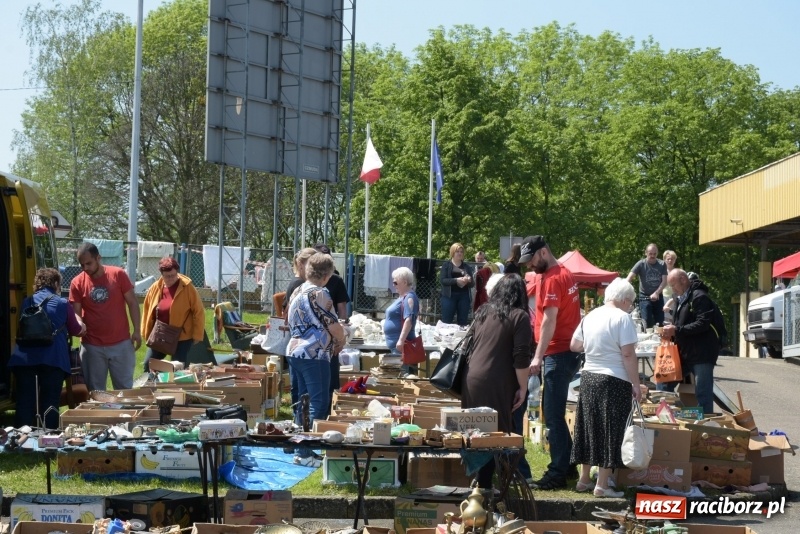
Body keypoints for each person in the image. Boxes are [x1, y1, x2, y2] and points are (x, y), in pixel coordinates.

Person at [569, 277, 642, 498]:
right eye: (630, 302)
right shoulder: (623, 318)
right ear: (625, 299)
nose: (630, 306)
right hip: (614, 378)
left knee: (588, 426)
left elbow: (574, 345)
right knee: (610, 429)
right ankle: (602, 484)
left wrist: (596, 344)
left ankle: (583, 479)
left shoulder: (590, 316)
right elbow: (628, 354)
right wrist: (636, 384)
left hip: (589, 376)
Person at [521, 235, 582, 490]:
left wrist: (538, 356)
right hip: (565, 352)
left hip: (557, 353)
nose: (529, 266)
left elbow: (549, 320)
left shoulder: (553, 278)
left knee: (554, 416)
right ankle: (567, 467)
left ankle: (557, 473)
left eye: (532, 259)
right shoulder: (564, 273)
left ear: (543, 252)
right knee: (554, 412)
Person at [460, 274, 532, 489]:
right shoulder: (520, 316)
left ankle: (480, 483)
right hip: (496, 381)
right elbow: (521, 357)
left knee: (475, 432)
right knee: (494, 435)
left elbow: (468, 344)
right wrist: (523, 387)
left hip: (471, 377)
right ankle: (485, 487)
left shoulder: (483, 311)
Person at [286, 252, 346, 467]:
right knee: (318, 403)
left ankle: (299, 447)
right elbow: (333, 325)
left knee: (303, 402)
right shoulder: (320, 293)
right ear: (328, 274)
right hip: (314, 353)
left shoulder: (298, 290)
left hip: (295, 351)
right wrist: (342, 339)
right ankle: (305, 452)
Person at [9, 268, 86, 428]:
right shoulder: (63, 303)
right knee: (50, 401)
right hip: (53, 358)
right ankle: (49, 437)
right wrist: (81, 324)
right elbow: (76, 330)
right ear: (56, 283)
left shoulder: (27, 302)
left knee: (25, 400)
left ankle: (21, 439)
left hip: (25, 359)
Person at [69, 242, 141, 391]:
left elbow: (133, 303)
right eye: (82, 265)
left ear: (98, 258)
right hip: (92, 346)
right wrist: (79, 324)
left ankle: (125, 415)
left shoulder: (118, 274)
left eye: (88, 263)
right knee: (95, 392)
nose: (85, 268)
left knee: (124, 391)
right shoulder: (77, 283)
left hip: (121, 343)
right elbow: (76, 313)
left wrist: (137, 330)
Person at [661, 269, 719, 414]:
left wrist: (676, 330)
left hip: (702, 353)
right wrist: (671, 332)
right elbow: (681, 322)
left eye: (673, 285)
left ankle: (705, 430)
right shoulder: (680, 298)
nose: (672, 289)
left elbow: (703, 323)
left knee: (703, 393)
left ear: (683, 279)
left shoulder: (699, 296)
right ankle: (665, 417)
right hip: (685, 351)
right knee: (664, 381)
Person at [140, 257, 205, 371]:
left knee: (177, 369)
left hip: (182, 337)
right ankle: (150, 387)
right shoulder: (155, 287)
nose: (171, 279)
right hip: (160, 335)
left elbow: (198, 311)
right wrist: (146, 332)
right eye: (167, 276)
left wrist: (197, 335)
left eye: (173, 275)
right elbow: (147, 310)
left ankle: (175, 389)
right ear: (161, 274)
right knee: (148, 365)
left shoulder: (188, 287)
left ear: (177, 272)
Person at [313, 243, 350, 399]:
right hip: (314, 338)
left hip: (330, 335)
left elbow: (342, 308)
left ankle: (329, 409)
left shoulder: (336, 280)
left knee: (330, 378)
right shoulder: (305, 283)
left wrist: (341, 333)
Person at [383, 267, 420, 376]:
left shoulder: (410, 297)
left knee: (401, 375)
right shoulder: (403, 297)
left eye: (395, 282)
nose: (393, 285)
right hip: (397, 346)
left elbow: (409, 320)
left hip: (401, 346)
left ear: (404, 282)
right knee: (398, 374)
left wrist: (400, 340)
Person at [626, 243, 668, 328]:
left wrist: (656, 293)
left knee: (660, 323)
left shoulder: (662, 264)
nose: (652, 256)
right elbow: (629, 278)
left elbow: (664, 281)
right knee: (647, 322)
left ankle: (660, 339)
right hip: (644, 297)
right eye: (650, 254)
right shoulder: (641, 264)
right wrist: (626, 294)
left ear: (657, 253)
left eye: (654, 254)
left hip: (658, 296)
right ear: (646, 253)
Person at [440, 243, 474, 326]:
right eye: (457, 251)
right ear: (452, 252)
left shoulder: (466, 267)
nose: (459, 253)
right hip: (449, 297)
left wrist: (468, 280)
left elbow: (472, 284)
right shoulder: (446, 265)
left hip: (464, 296)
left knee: (463, 321)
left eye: (461, 252)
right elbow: (443, 281)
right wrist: (456, 280)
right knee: (446, 322)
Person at [661, 250, 678, 324]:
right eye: (668, 259)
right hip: (663, 297)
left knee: (674, 318)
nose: (670, 260)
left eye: (672, 259)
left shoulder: (677, 272)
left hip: (675, 297)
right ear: (664, 260)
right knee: (665, 320)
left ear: (675, 260)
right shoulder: (661, 271)